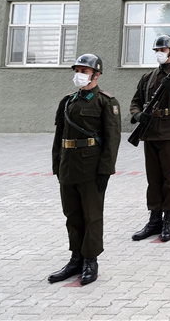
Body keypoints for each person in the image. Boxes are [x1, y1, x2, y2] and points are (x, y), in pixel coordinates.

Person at [49, 54, 121, 286]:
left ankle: (91, 260)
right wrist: (56, 164)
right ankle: (75, 258)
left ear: (96, 74)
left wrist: (105, 170)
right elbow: (59, 136)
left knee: (91, 215)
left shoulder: (106, 102)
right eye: (77, 69)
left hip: (91, 166)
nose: (79, 74)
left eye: (84, 70)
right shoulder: (68, 101)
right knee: (72, 214)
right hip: (68, 164)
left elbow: (112, 139)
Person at [129, 35, 170, 242]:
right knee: (153, 179)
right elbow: (135, 102)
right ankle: (154, 219)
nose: (160, 53)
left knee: (169, 178)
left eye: (164, 49)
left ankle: (168, 219)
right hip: (150, 132)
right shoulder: (147, 77)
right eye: (157, 49)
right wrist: (138, 115)